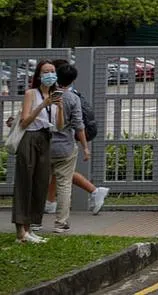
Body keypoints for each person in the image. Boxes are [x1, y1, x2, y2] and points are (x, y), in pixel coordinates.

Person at [43, 60, 109, 222]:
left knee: (61, 172)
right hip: (67, 141)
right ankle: (51, 202)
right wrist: (85, 147)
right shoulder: (74, 95)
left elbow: (77, 124)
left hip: (56, 141)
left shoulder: (54, 95)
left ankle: (92, 192)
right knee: (59, 171)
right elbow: (79, 124)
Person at [11, 60, 65, 243]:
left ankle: (30, 227)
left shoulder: (55, 96)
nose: (50, 75)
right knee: (24, 182)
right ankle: (21, 231)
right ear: (39, 75)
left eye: (52, 71)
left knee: (40, 183)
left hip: (45, 139)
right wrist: (42, 105)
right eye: (46, 71)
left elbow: (60, 126)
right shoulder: (31, 94)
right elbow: (25, 121)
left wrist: (60, 107)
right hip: (30, 138)